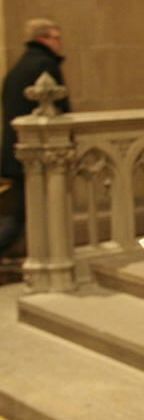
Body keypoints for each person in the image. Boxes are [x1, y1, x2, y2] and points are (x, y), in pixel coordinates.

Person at [0, 19, 71, 260]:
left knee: (22, 212)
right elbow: (60, 112)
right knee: (23, 215)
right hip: (42, 154)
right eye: (56, 37)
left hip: (16, 152)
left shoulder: (18, 67)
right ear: (44, 39)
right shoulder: (45, 65)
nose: (60, 43)